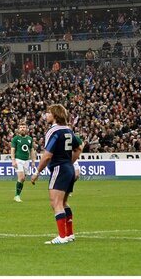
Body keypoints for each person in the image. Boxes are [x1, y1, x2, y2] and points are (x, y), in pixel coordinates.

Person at [31, 104, 82, 245]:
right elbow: (79, 148)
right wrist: (69, 162)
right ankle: (69, 234)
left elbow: (47, 156)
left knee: (56, 203)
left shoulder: (53, 131)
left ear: (55, 115)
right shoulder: (68, 130)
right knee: (64, 202)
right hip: (68, 169)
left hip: (59, 169)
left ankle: (62, 236)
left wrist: (37, 172)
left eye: (48, 113)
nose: (46, 115)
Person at [10, 123, 37, 202]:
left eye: (23, 127)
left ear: (26, 129)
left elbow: (31, 150)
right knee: (21, 177)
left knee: (23, 179)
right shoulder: (15, 138)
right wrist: (13, 160)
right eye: (21, 127)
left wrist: (33, 161)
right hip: (18, 160)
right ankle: (17, 196)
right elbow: (12, 150)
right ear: (19, 129)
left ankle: (17, 195)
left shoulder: (29, 139)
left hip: (26, 161)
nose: (22, 128)